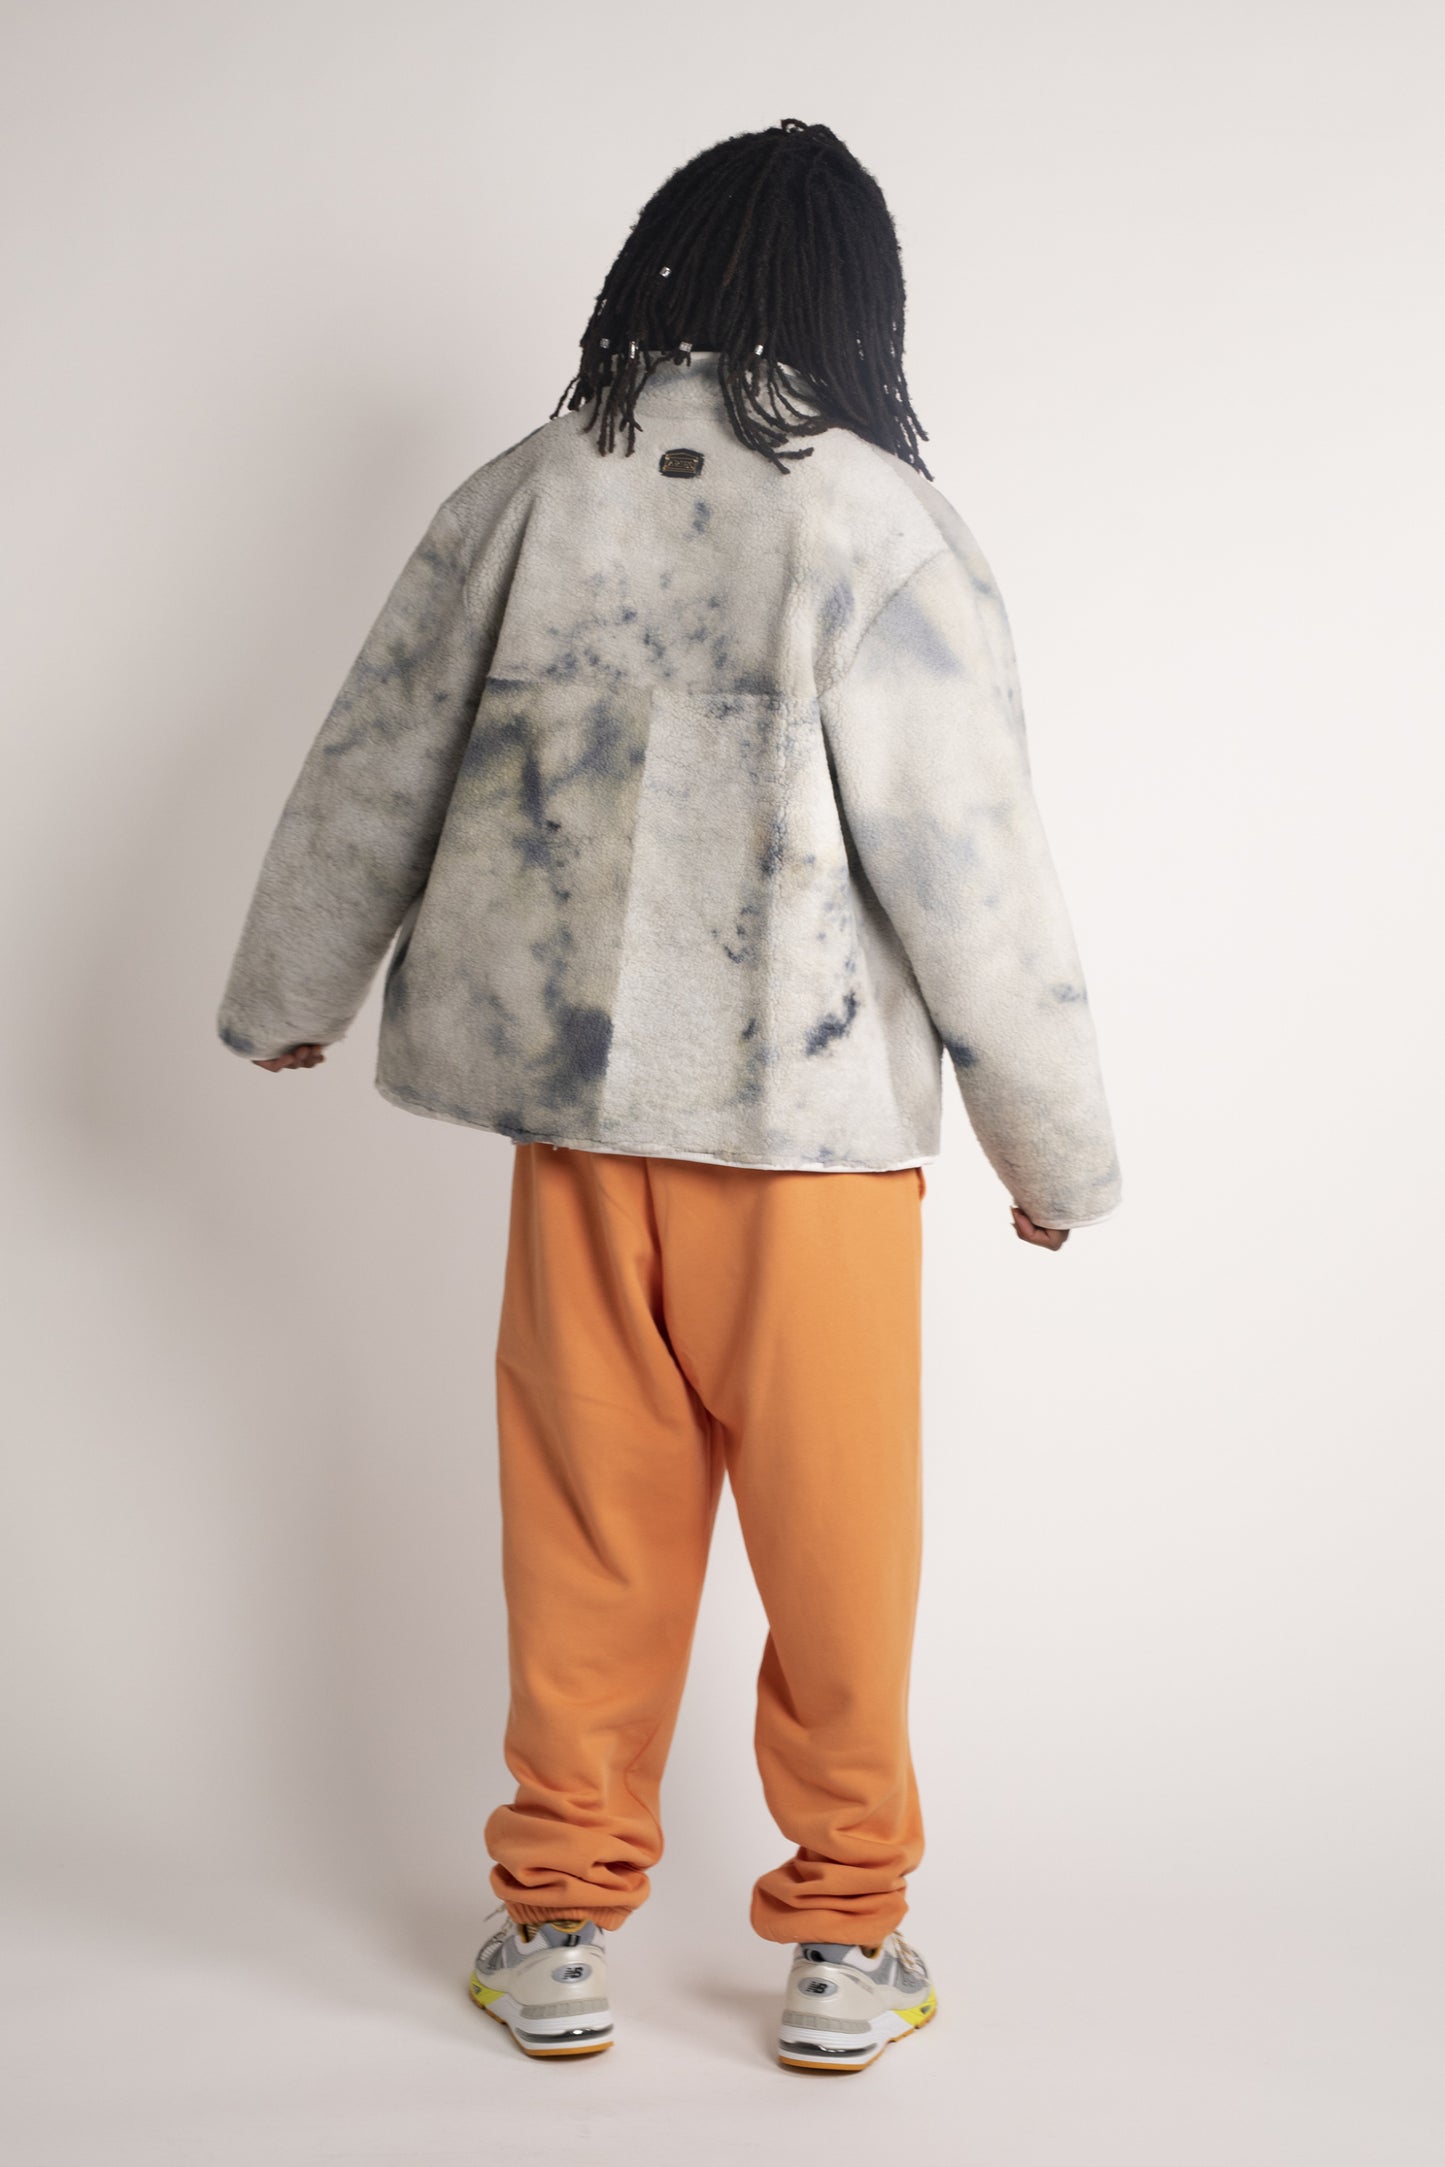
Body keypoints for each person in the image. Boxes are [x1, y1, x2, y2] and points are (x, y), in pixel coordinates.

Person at [216, 116, 1123, 2073]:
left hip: (579, 1131)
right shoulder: (876, 519)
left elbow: (378, 749)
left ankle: (556, 1918)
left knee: (585, 1529)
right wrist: (1050, 1144)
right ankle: (845, 1937)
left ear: (666, 269)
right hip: (806, 1151)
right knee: (837, 1544)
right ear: (852, 296)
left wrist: (291, 992)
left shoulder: (535, 485)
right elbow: (969, 860)